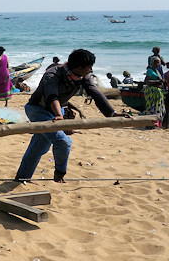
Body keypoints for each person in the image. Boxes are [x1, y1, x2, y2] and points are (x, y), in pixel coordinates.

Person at [14, 49, 124, 183]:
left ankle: (22, 177)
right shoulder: (52, 74)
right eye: (89, 67)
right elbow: (52, 96)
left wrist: (112, 113)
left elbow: (95, 93)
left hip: (56, 111)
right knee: (62, 141)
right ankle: (60, 172)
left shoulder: (83, 77)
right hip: (37, 110)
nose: (91, 70)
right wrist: (59, 115)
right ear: (79, 67)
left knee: (39, 145)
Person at [143, 57, 165, 128]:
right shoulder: (150, 70)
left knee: (157, 108)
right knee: (151, 107)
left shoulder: (157, 71)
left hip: (157, 91)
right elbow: (146, 81)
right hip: (152, 91)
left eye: (158, 63)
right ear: (152, 63)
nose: (157, 64)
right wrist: (158, 81)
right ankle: (149, 123)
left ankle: (156, 123)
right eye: (156, 62)